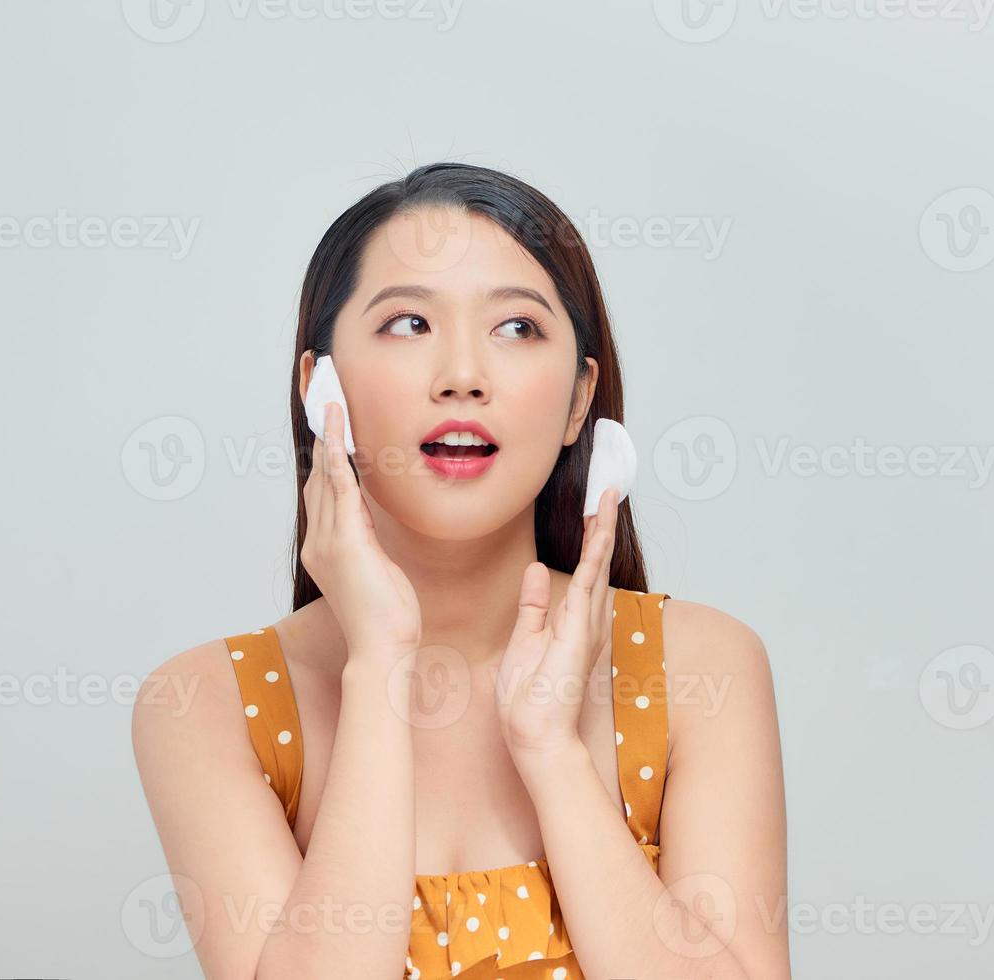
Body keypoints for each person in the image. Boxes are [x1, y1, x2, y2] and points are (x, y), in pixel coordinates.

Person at [132, 162, 789, 980]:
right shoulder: (206, 704)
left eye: (516, 328)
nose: (462, 377)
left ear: (580, 402)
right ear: (317, 386)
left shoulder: (701, 666)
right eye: (408, 323)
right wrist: (377, 665)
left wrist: (551, 753)